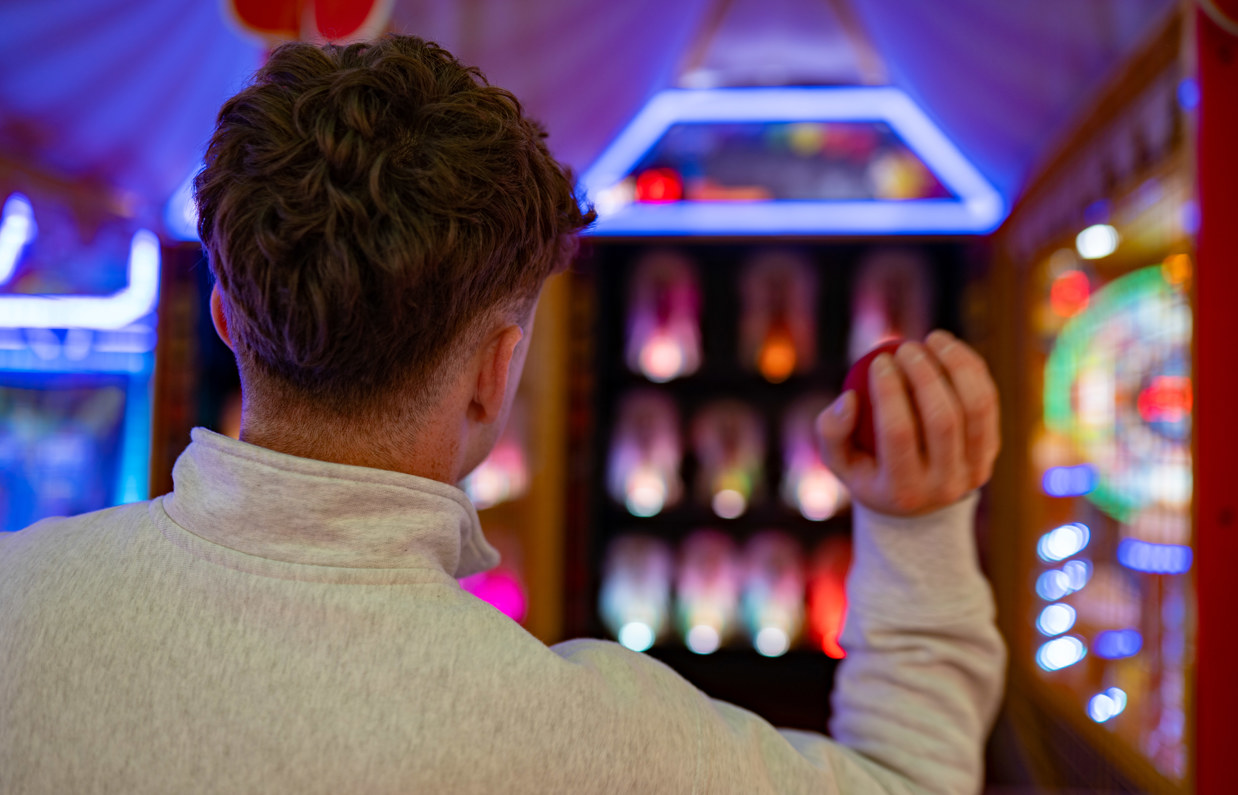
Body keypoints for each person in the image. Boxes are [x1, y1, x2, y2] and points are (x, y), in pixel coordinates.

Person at [0, 35, 1004, 794]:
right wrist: (914, 525)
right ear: (496, 366)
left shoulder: (19, 600)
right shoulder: (588, 738)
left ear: (225, 320)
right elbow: (907, 782)